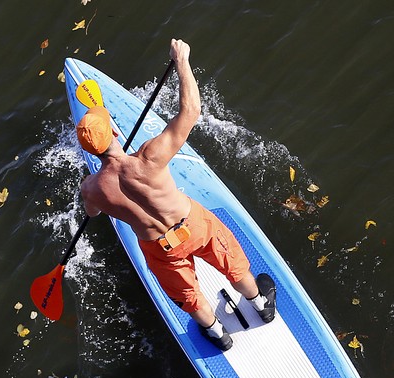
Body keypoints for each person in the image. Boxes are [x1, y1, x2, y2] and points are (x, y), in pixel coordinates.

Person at [76, 38, 275, 351]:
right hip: (193, 225)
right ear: (115, 132)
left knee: (189, 296)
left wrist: (98, 199)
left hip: (159, 249)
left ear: (89, 151)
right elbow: (192, 110)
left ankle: (215, 333)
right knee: (233, 265)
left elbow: (92, 213)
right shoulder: (149, 157)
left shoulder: (92, 188)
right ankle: (260, 303)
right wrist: (181, 59)